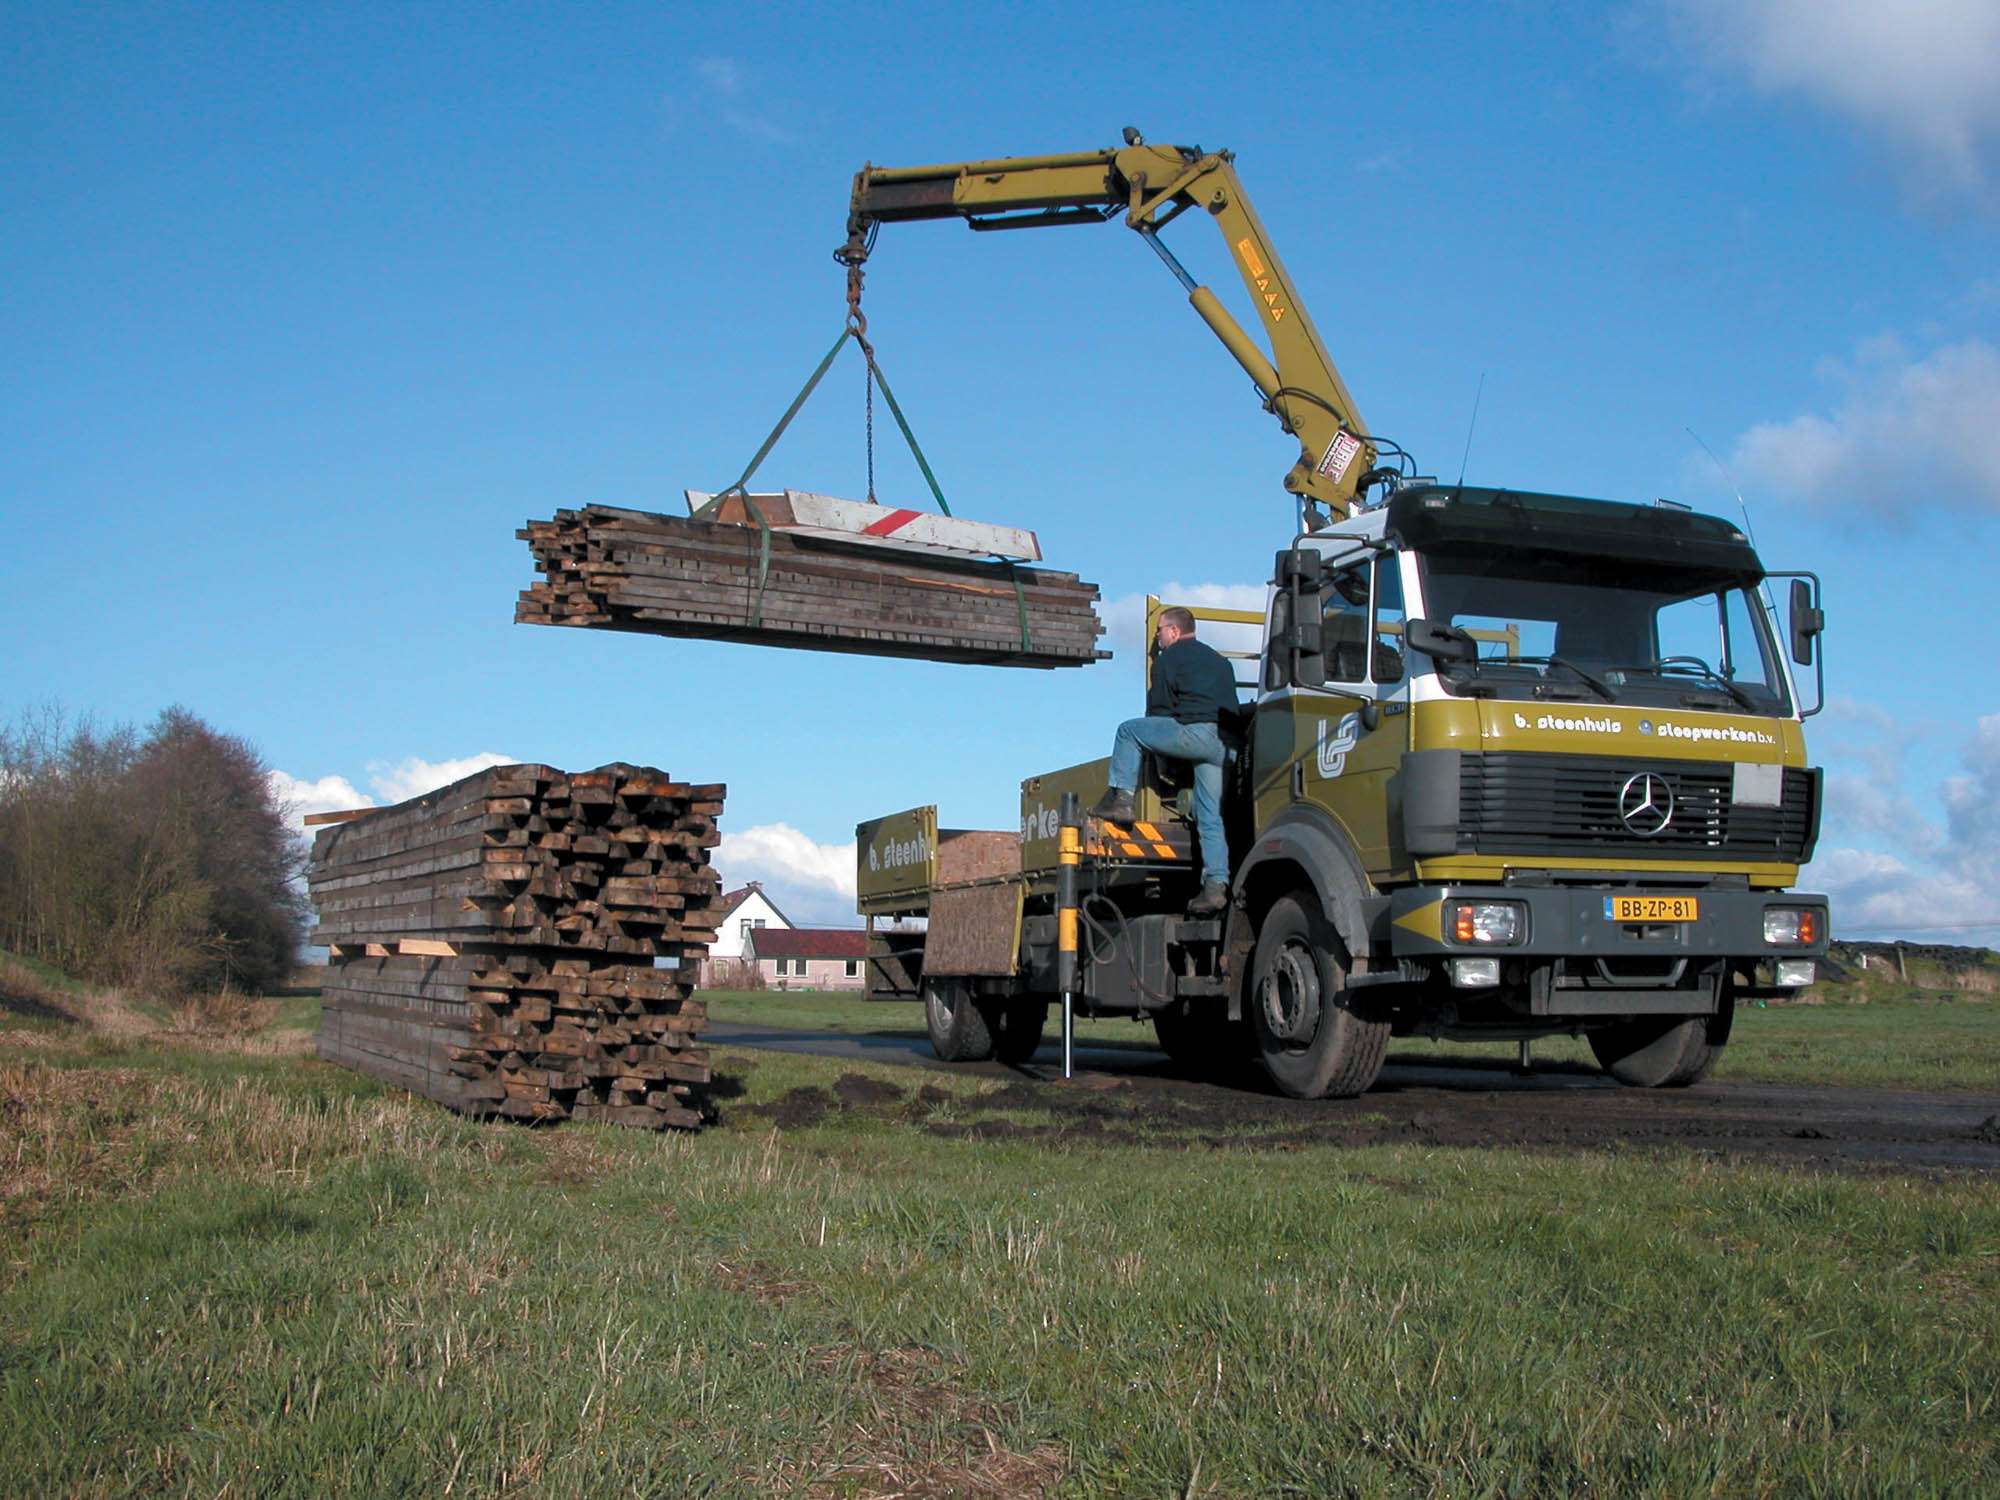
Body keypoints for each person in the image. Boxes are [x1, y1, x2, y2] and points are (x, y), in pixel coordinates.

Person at [1087, 606, 1238, 916]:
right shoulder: (1221, 662)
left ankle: (1122, 801)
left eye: (1159, 631)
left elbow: (1160, 711)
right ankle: (1215, 886)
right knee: (1210, 816)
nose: (1157, 638)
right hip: (1228, 744)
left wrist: (1163, 763)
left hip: (1197, 736)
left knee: (1128, 731)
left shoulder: (1169, 659)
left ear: (1174, 631)